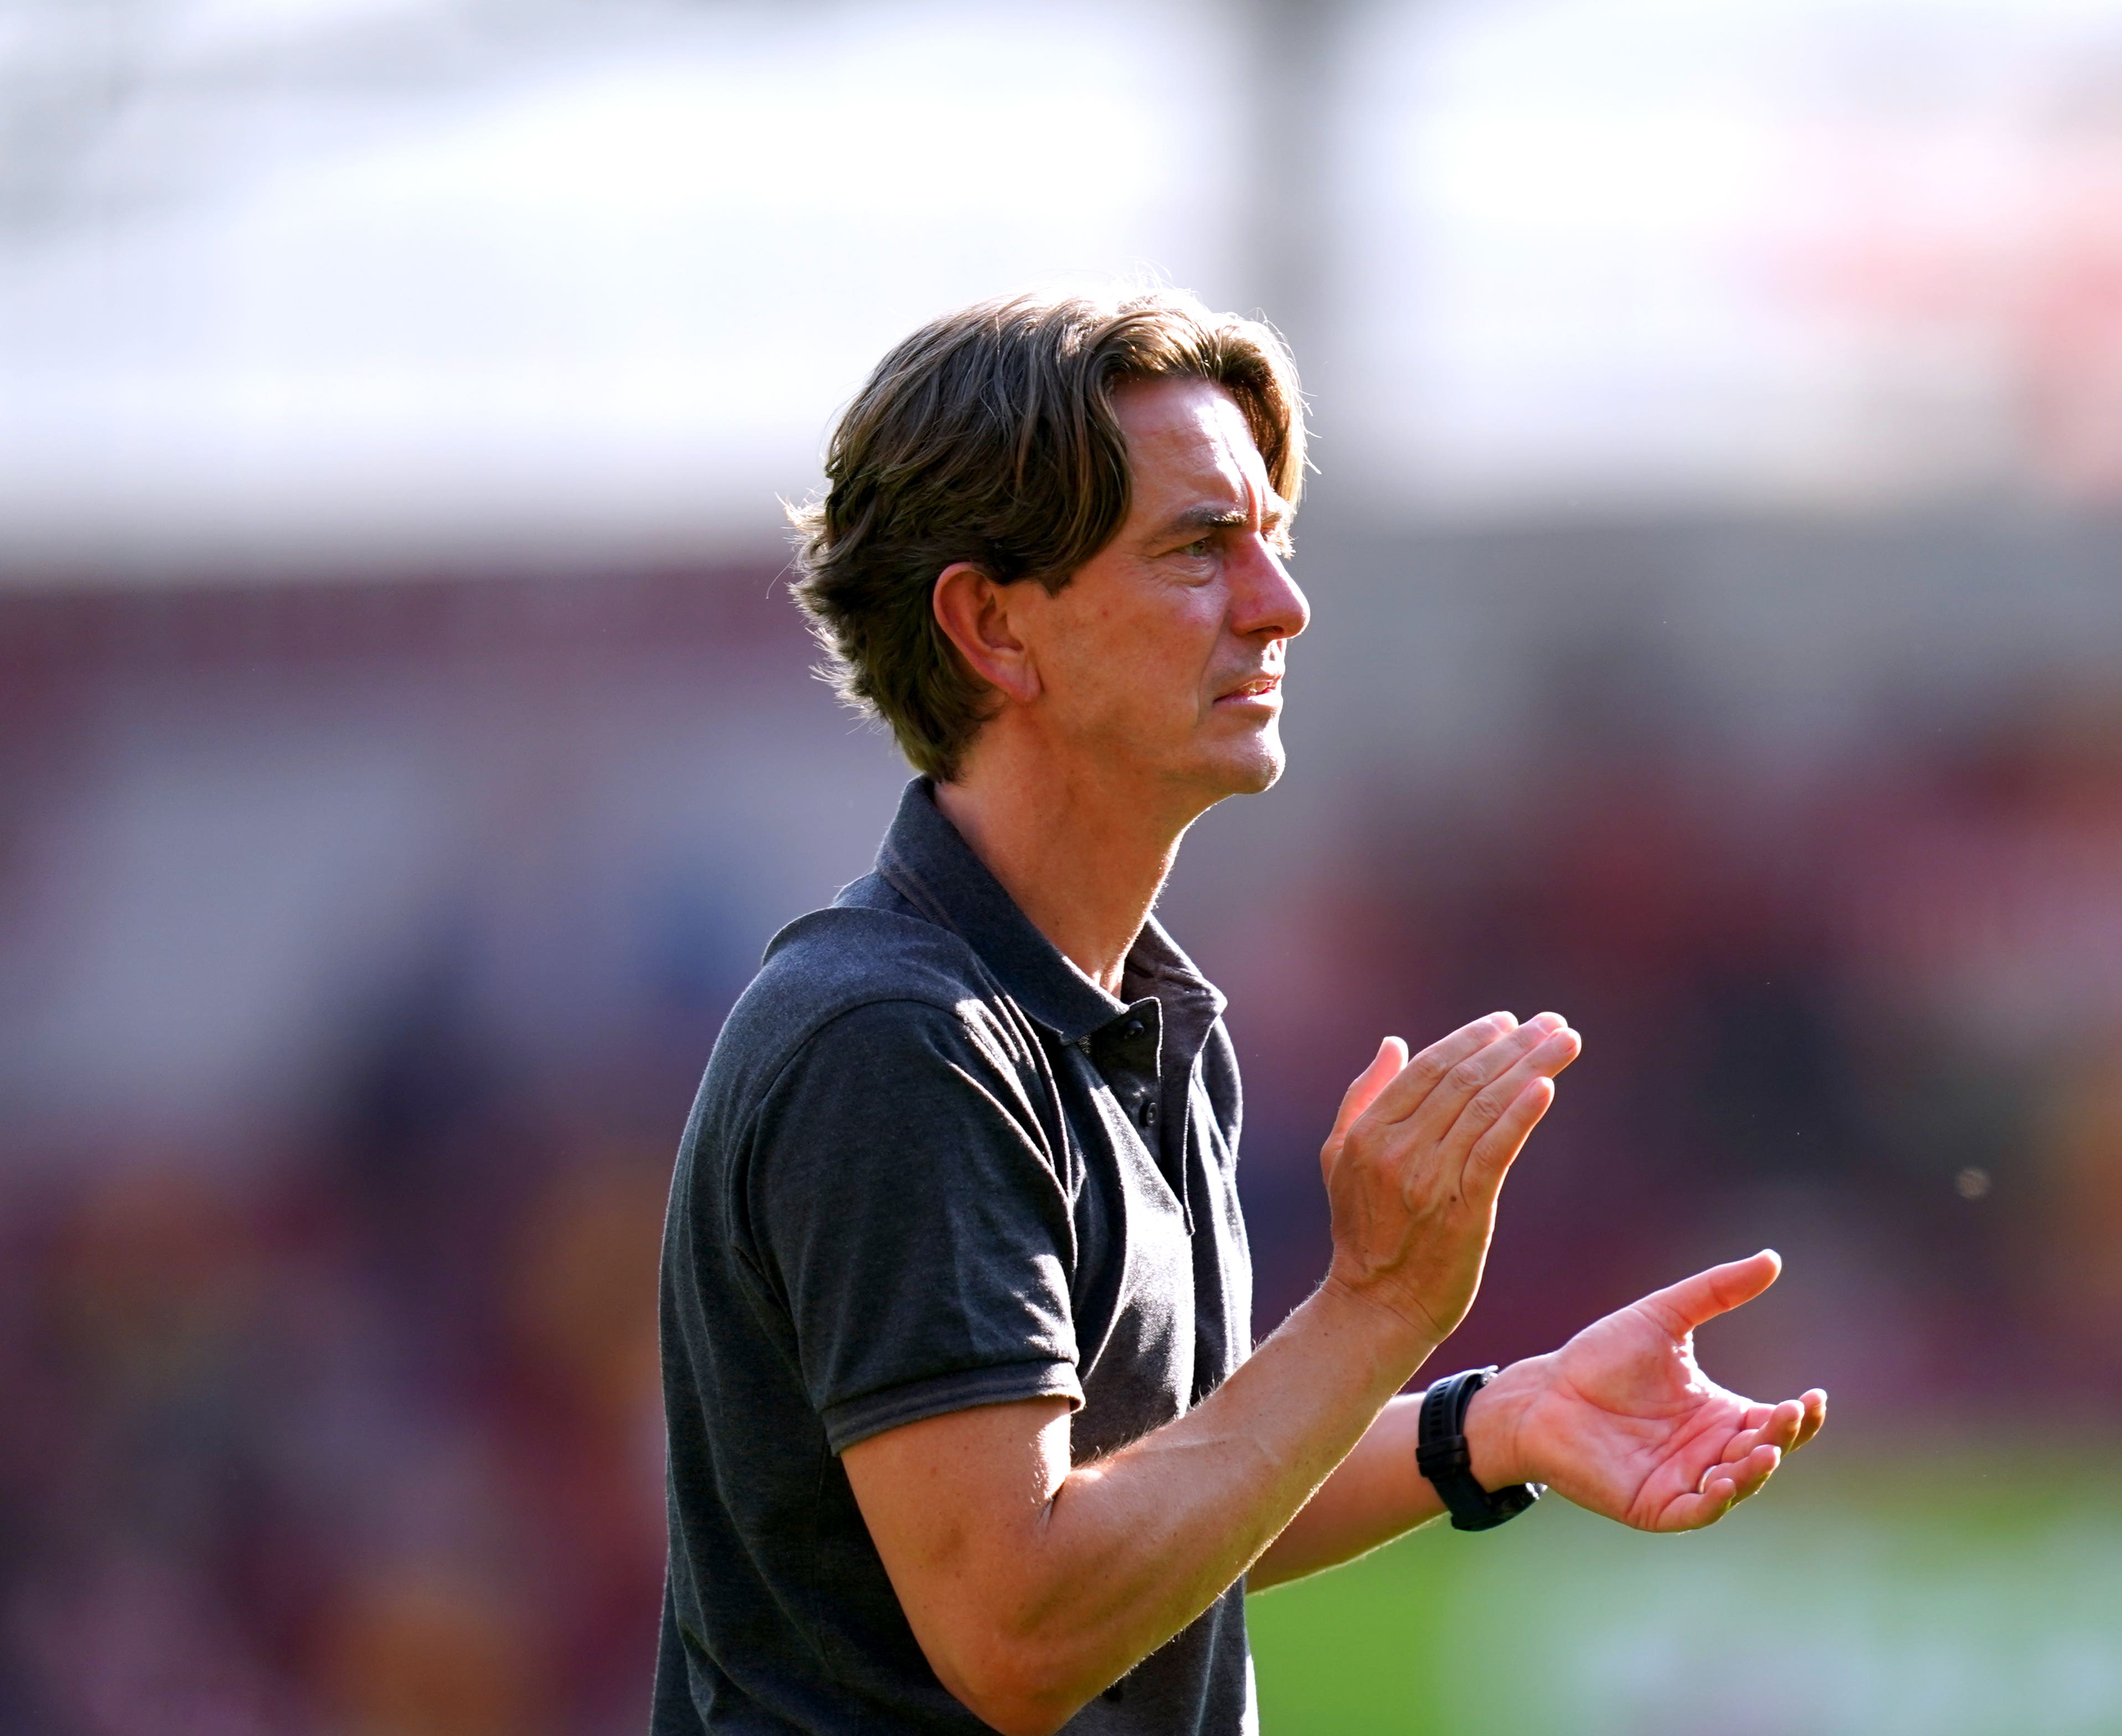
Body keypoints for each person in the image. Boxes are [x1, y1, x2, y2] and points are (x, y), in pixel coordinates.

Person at [652, 288, 1828, 1736]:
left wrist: (1493, 1423)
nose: (1280, 600)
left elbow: (1169, 1502)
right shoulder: (894, 1043)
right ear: (992, 629)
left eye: (1270, 539)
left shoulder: (1132, 1024)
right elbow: (1023, 1628)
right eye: (1200, 548)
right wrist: (1381, 1306)